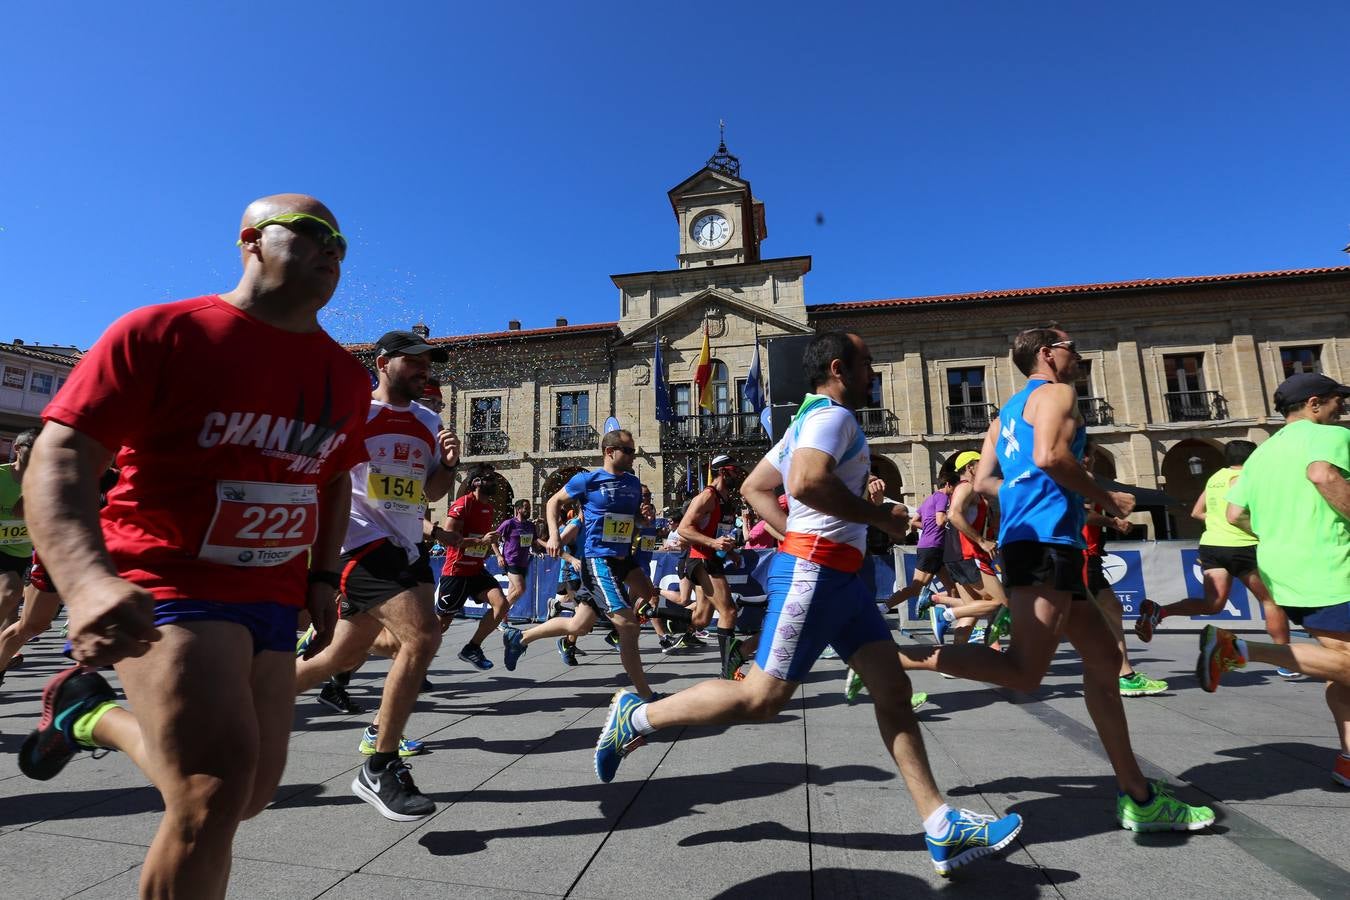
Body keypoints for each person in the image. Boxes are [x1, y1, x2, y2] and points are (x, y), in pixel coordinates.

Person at [16, 194, 372, 898]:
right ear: (250, 240)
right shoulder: (164, 332)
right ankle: (87, 712)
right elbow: (60, 458)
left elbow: (332, 480)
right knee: (210, 794)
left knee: (249, 794)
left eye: (340, 240)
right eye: (309, 231)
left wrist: (324, 575)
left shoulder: (344, 375)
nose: (331, 247)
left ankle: (87, 715)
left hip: (271, 595)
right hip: (165, 578)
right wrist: (85, 582)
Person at [592, 332, 1022, 876]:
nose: (875, 373)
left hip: (839, 578)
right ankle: (638, 716)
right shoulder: (833, 418)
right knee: (760, 699)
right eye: (868, 364)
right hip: (817, 575)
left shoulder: (808, 418)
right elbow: (804, 481)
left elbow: (755, 487)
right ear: (840, 368)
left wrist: (808, 530)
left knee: (893, 689)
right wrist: (878, 519)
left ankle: (940, 824)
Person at [898, 323, 1215, 832]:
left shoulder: (1005, 413)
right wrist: (1106, 498)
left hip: (1044, 541)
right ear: (1047, 354)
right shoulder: (1058, 393)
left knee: (1107, 658)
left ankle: (1137, 795)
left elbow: (983, 481)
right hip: (1044, 543)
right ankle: (887, 657)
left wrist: (1028, 492)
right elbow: (1050, 456)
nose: (1079, 354)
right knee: (1025, 672)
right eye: (1072, 346)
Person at [291, 329, 459, 821]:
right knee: (423, 636)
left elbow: (429, 493)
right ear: (383, 363)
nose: (425, 370)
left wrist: (449, 465)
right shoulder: (353, 413)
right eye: (415, 362)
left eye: (430, 363)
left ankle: (249, 698)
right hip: (358, 543)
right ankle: (380, 765)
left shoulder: (431, 421)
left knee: (337, 657)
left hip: (407, 547)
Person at [1198, 372, 1350, 787]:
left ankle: (1349, 761)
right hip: (1332, 566)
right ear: (1315, 404)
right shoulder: (1331, 438)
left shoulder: (1261, 455)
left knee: (1343, 666)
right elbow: (1323, 475)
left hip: (1282, 570)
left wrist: (1280, 529)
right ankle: (1237, 648)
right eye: (1338, 402)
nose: (1342, 410)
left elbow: (1234, 515)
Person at [501, 431, 658, 698]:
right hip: (599, 561)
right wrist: (553, 535)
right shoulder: (588, 480)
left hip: (624, 559)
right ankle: (645, 696)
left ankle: (520, 638)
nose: (634, 455)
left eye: (633, 451)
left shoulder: (633, 483)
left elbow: (633, 520)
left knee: (580, 625)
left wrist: (642, 520)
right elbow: (553, 502)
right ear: (609, 452)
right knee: (629, 625)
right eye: (628, 451)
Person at [1135, 440, 1292, 676]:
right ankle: (1285, 661)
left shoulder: (1216, 477)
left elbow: (1196, 512)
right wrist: (1261, 530)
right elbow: (1235, 516)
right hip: (1243, 545)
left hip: (1212, 545)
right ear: (1253, 458)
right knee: (1271, 601)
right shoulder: (1245, 477)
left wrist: (1218, 520)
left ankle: (1161, 611)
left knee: (1213, 604)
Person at [1078, 443, 1167, 697]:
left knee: (1111, 609)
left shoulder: (1079, 477)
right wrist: (1113, 520)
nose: (1094, 460)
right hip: (1081, 553)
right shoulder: (1080, 477)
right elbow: (1079, 512)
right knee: (1074, 617)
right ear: (1084, 456)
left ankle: (1123, 674)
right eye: (1092, 455)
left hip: (1088, 553)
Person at [434, 465, 511, 669]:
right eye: (489, 479)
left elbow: (482, 541)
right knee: (442, 624)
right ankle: (416, 659)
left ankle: (472, 648)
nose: (494, 482)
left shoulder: (488, 508)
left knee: (501, 604)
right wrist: (481, 541)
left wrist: (489, 545)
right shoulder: (462, 504)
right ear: (476, 482)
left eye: (494, 478)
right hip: (456, 571)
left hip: (476, 569)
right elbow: (447, 539)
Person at [677, 453, 745, 678]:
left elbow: (718, 529)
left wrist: (731, 551)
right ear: (723, 471)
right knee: (729, 611)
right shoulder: (707, 496)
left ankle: (654, 612)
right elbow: (684, 529)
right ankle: (729, 669)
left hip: (711, 558)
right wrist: (714, 543)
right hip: (700, 559)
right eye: (735, 470)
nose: (739, 474)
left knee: (701, 619)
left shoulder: (726, 498)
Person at [887, 475, 955, 615]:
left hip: (930, 546)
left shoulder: (929, 499)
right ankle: (883, 608)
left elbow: (914, 522)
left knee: (952, 589)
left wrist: (929, 527)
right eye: (955, 487)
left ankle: (950, 619)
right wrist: (955, 514)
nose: (956, 491)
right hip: (933, 547)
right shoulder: (943, 497)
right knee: (916, 588)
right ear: (948, 484)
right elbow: (940, 521)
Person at [0, 428, 36, 632]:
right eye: (33, 448)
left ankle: (4, 658)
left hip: (23, 553)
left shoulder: (44, 479)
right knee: (11, 591)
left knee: (12, 609)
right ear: (17, 448)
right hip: (0, 549)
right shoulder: (1, 475)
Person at [495, 499, 537, 615]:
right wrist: (499, 556)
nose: (529, 510)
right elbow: (493, 540)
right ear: (518, 510)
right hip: (510, 562)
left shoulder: (530, 525)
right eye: (526, 508)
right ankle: (498, 610)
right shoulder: (509, 523)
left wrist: (545, 547)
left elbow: (535, 541)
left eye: (529, 508)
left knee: (511, 593)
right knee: (521, 589)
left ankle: (502, 621)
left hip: (523, 563)